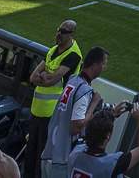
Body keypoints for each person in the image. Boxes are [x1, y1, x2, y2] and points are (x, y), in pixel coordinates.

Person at [45, 46, 117, 178]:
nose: (104, 68)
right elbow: (76, 127)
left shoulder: (73, 80)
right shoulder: (84, 90)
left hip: (50, 151)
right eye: (104, 63)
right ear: (95, 65)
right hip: (61, 159)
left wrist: (110, 111)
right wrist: (95, 102)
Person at [25, 20, 83, 178]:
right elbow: (32, 77)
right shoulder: (52, 51)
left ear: (71, 34)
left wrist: (45, 76)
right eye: (58, 30)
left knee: (41, 154)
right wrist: (45, 77)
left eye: (63, 31)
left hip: (52, 114)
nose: (59, 34)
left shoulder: (73, 55)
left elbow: (51, 80)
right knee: (30, 152)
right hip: (37, 110)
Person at [65, 106, 139, 178]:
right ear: (108, 136)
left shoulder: (75, 149)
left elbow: (90, 133)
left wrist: (111, 116)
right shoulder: (112, 163)